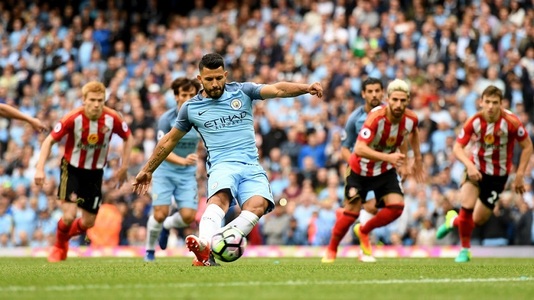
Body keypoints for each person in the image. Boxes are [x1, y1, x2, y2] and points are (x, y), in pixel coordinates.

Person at [133, 52, 323, 266]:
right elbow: (169, 141)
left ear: (225, 75)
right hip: (222, 165)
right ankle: (205, 247)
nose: (214, 84)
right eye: (209, 79)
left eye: (218, 78)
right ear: (200, 79)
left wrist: (306, 87)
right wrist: (148, 169)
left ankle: (211, 244)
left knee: (258, 206)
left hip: (251, 164)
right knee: (220, 200)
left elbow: (277, 88)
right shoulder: (191, 108)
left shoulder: (243, 91)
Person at [34, 81, 133, 262]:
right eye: (93, 100)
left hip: (95, 173)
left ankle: (64, 238)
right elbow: (49, 141)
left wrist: (124, 166)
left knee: (89, 223)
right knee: (70, 215)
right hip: (71, 169)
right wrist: (40, 168)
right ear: (84, 100)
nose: (96, 104)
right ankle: (58, 245)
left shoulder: (112, 118)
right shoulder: (73, 118)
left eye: (100, 100)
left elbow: (128, 137)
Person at [436, 85, 533, 262]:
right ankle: (465, 250)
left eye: (494, 103)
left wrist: (519, 175)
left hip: (498, 177)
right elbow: (457, 148)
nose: (490, 106)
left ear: (501, 104)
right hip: (476, 169)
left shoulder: (511, 122)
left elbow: (527, 146)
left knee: (478, 219)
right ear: (481, 102)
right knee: (466, 205)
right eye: (487, 102)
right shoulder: (474, 121)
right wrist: (469, 165)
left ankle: (452, 221)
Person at [348, 79, 424, 261]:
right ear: (388, 99)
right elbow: (356, 148)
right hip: (363, 166)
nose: (398, 104)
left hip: (385, 167)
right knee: (352, 209)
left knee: (396, 207)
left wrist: (414, 159)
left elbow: (410, 133)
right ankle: (342, 245)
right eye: (395, 100)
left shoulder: (410, 118)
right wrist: (391, 158)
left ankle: (363, 230)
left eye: (403, 100)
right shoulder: (370, 118)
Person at [322, 77, 385, 263]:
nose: (374, 94)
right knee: (352, 213)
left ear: (382, 92)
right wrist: (357, 166)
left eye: (377, 90)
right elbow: (344, 148)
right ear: (364, 94)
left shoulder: (389, 114)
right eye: (370, 91)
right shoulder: (355, 118)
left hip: (382, 169)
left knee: (385, 204)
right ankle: (332, 249)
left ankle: (357, 224)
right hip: (358, 171)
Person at [144, 77, 201, 262]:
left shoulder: (200, 118)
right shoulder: (166, 119)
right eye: (184, 95)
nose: (188, 98)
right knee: (159, 213)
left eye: (192, 95)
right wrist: (184, 160)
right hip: (165, 171)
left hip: (187, 174)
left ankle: (168, 225)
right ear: (176, 96)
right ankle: (149, 251)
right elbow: (161, 150)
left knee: (188, 217)